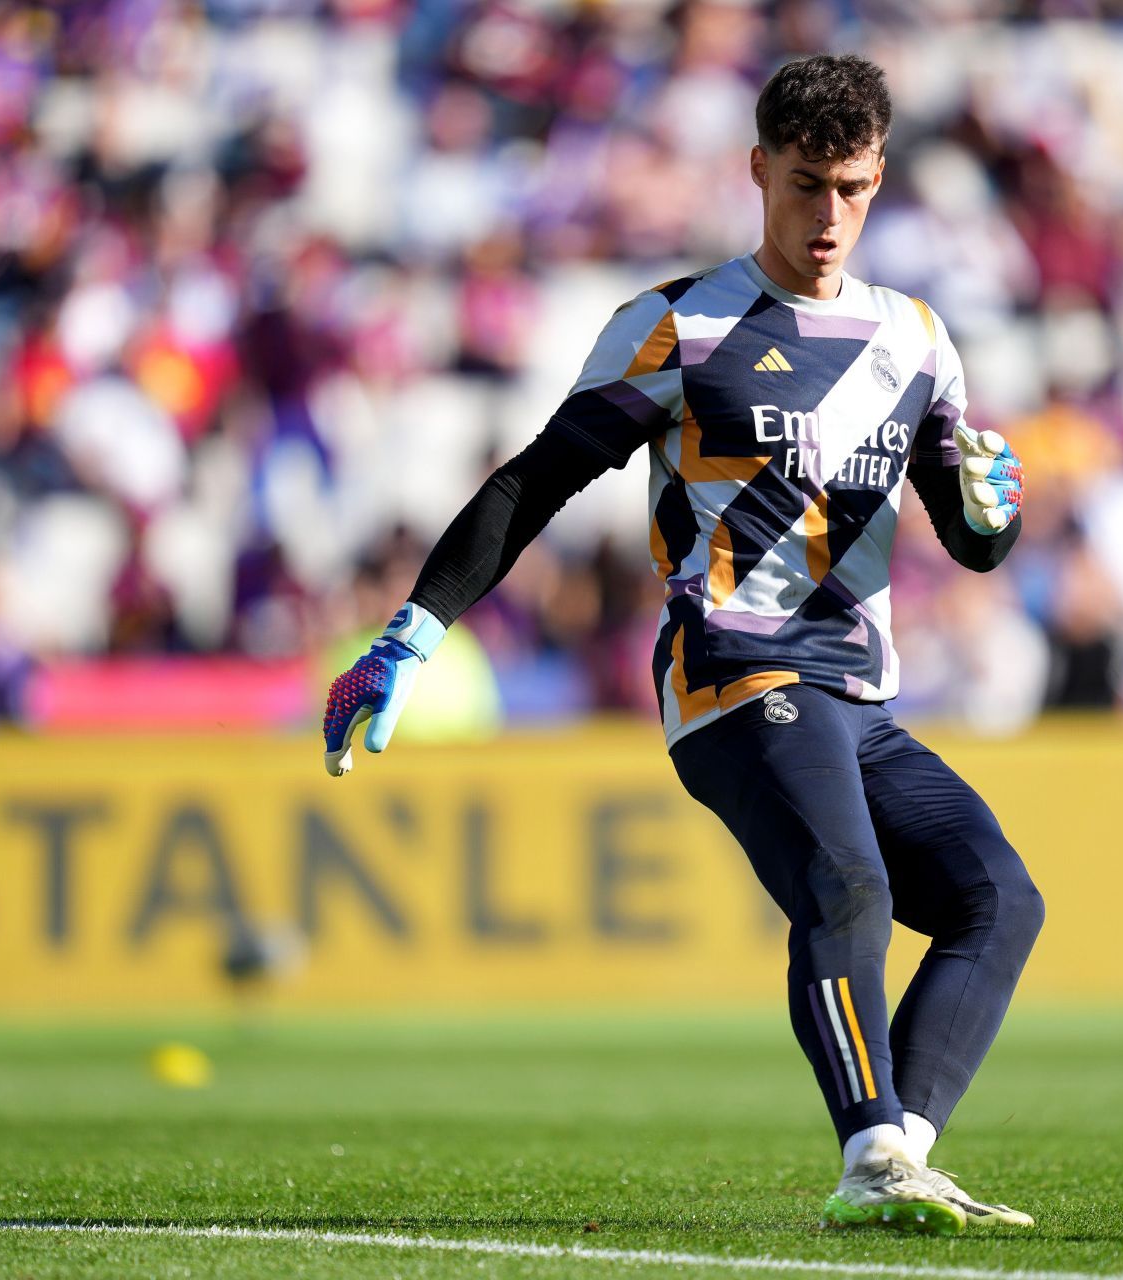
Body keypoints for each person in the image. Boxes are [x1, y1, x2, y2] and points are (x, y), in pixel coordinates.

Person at [321, 54, 1041, 1236]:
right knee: (846, 883)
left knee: (997, 899)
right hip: (732, 672)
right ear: (757, 169)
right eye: (806, 185)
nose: (829, 218)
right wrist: (412, 631)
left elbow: (970, 541)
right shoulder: (681, 326)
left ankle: (900, 1153)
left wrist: (993, 508)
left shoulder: (916, 339)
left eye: (854, 188)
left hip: (859, 691)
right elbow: (531, 481)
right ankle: (868, 1151)